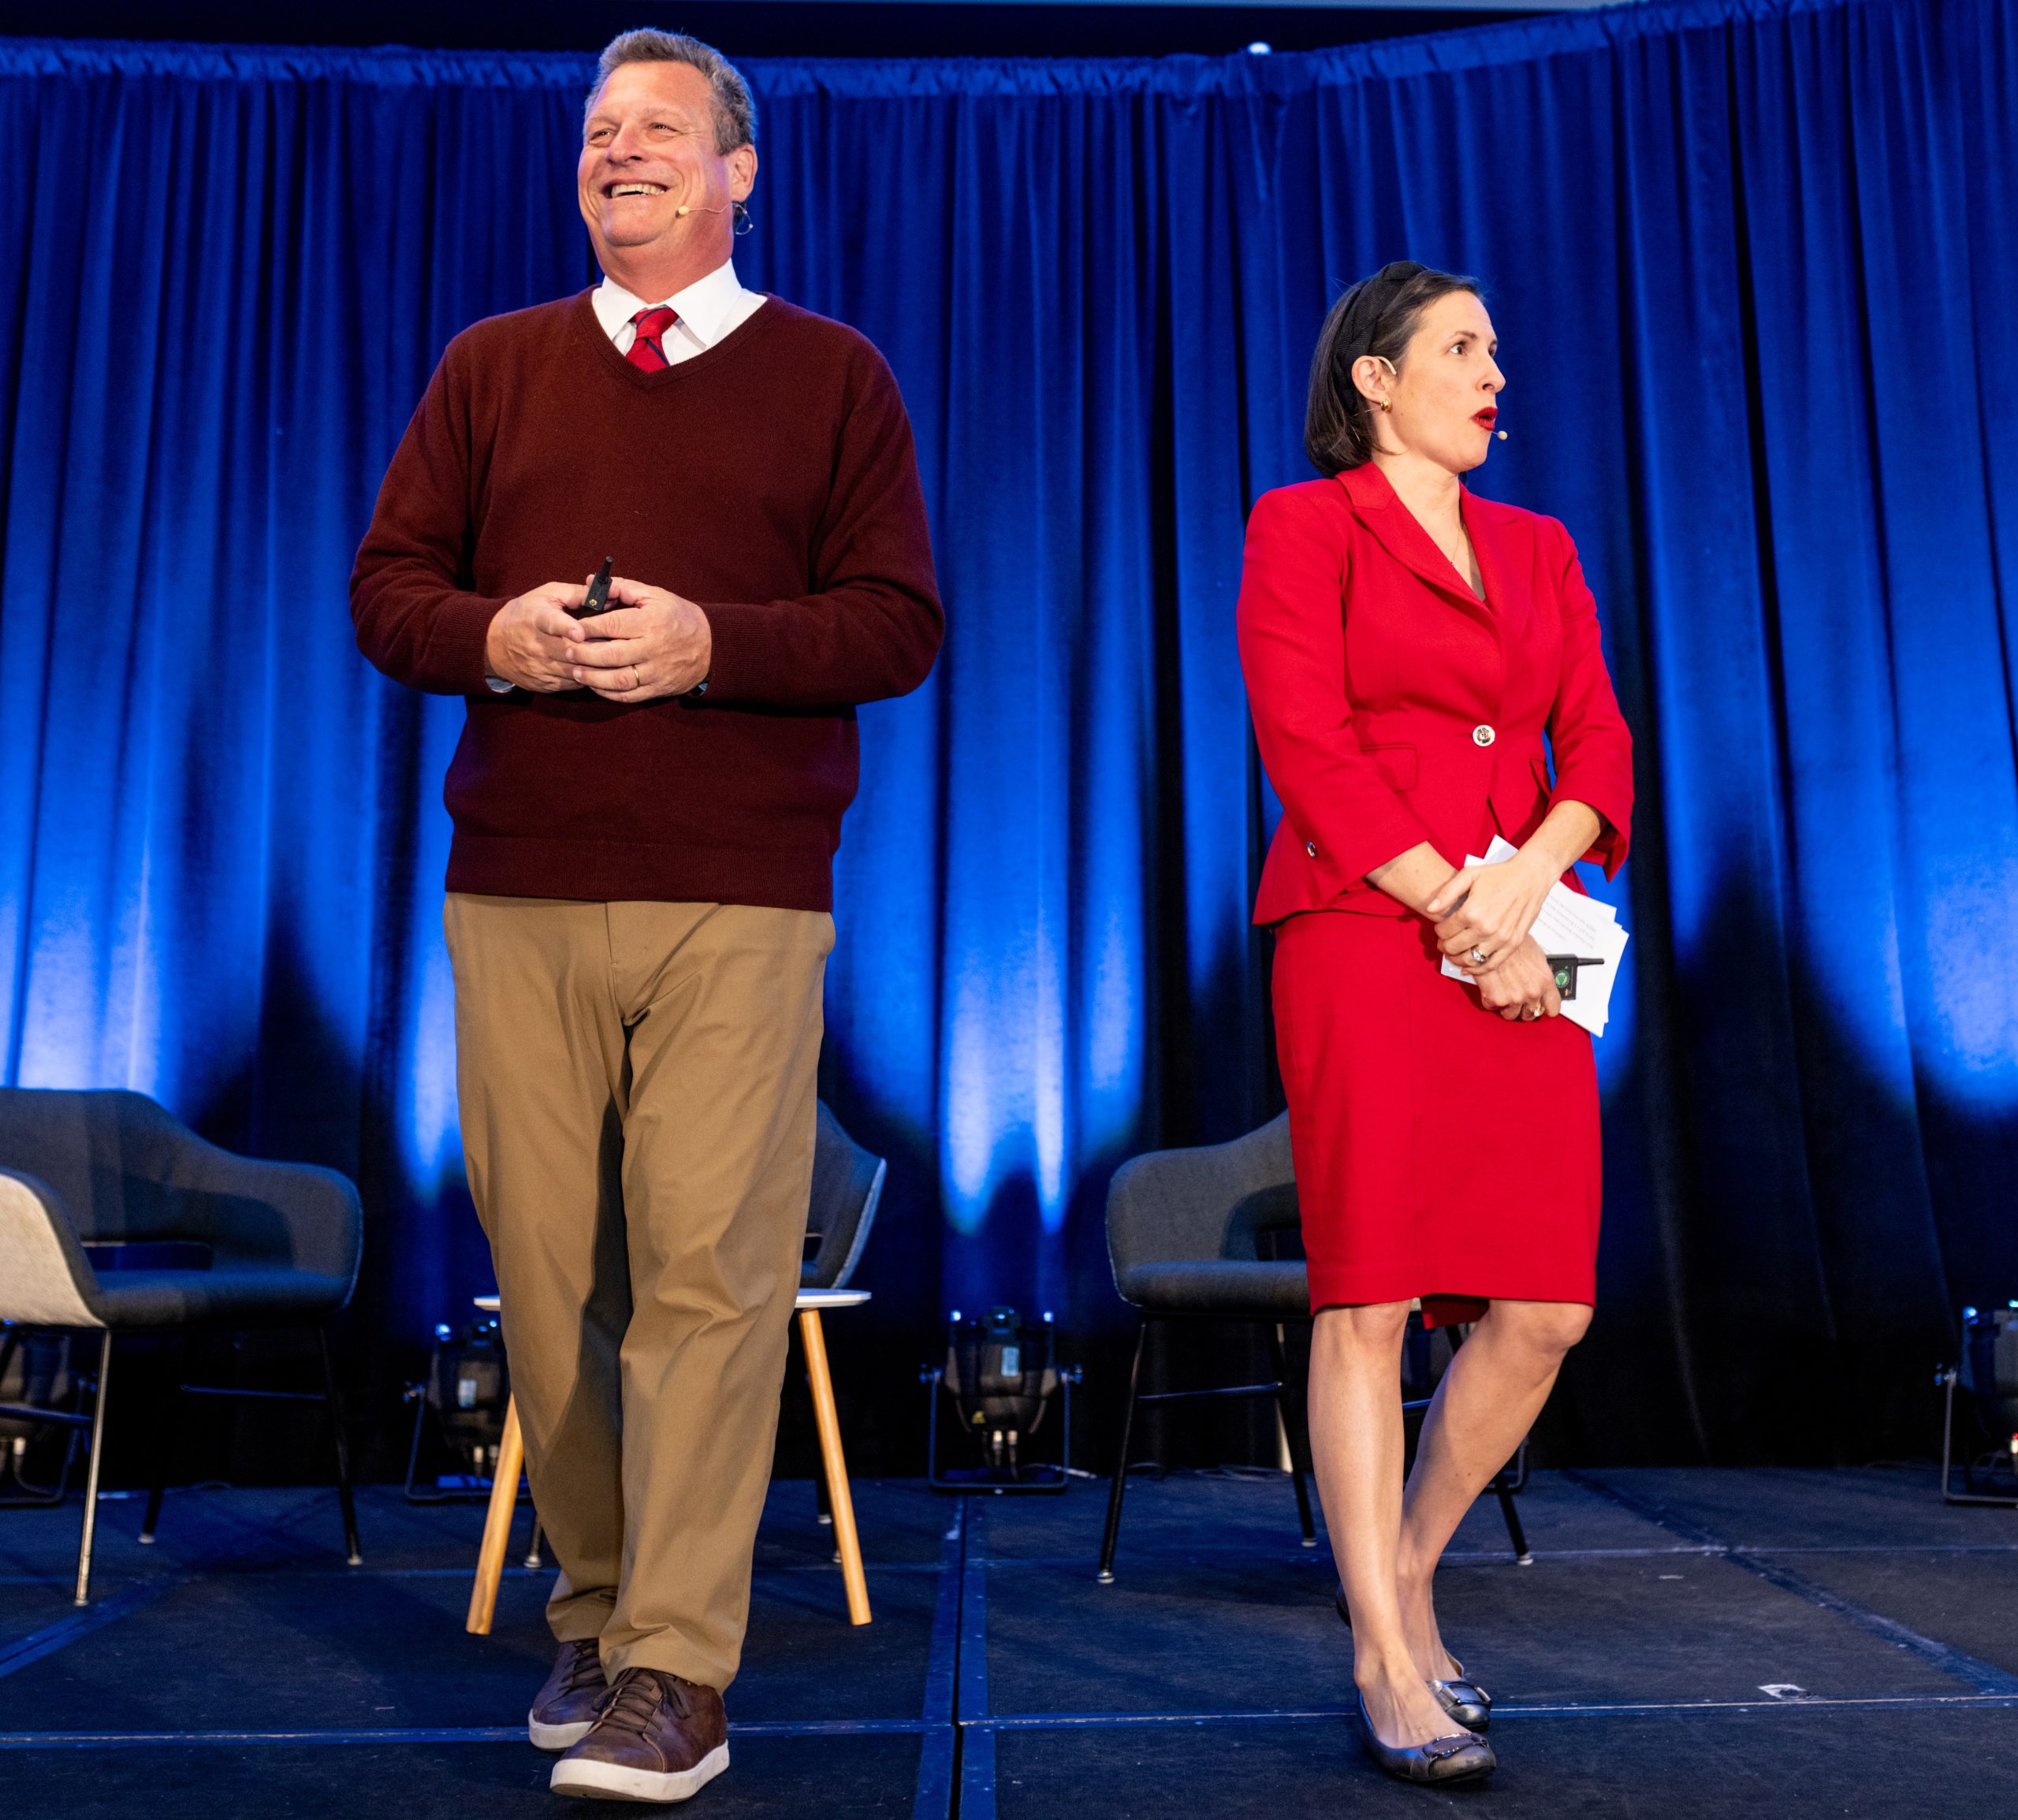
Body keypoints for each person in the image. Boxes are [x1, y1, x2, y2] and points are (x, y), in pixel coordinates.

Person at [350, 30, 942, 1806]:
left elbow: (896, 625)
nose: (622, 154)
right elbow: (388, 593)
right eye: (601, 132)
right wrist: (494, 638)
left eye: (661, 133)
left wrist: (713, 645)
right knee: (550, 1289)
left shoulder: (832, 376)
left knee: (705, 1276)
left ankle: (679, 1669)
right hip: (515, 885)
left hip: (737, 896)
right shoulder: (491, 367)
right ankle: (596, 1614)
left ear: (738, 171)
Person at [1234, 260, 1633, 1786]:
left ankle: (1403, 1567)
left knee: (1543, 1305)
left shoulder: (1537, 546)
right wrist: (1455, 915)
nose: (1493, 374)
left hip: (1519, 936)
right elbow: (1306, 745)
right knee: (1368, 1295)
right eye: (1461, 349)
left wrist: (1524, 888)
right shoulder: (1300, 526)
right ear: (1374, 381)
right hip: (1356, 930)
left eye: (1493, 352)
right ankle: (1380, 1656)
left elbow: (1591, 737)